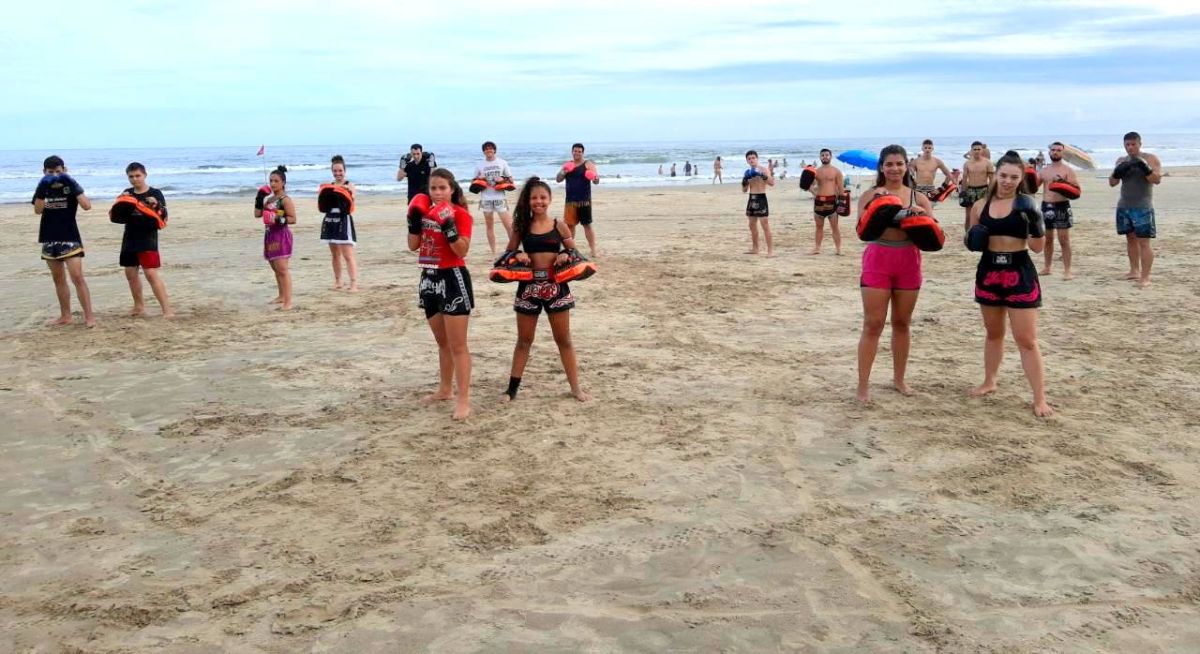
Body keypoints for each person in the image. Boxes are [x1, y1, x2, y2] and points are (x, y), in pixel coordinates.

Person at [965, 152, 1052, 417]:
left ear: (1021, 177)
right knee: (993, 333)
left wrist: (1036, 223)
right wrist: (973, 238)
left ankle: (1040, 398)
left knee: (1026, 339)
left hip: (1019, 270)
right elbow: (970, 243)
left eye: (1014, 177)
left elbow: (1038, 248)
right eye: (1003, 175)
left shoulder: (1027, 204)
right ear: (996, 174)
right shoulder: (981, 205)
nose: (1007, 181)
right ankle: (990, 381)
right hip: (990, 269)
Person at [497, 177, 591, 404]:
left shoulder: (560, 225)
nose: (538, 202)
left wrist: (564, 255)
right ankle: (511, 390)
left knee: (564, 340)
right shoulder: (521, 227)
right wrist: (517, 254)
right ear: (528, 201)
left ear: (549, 199)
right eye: (534, 198)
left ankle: (576, 388)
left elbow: (575, 254)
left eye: (543, 197)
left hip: (556, 287)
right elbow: (507, 255)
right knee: (524, 341)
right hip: (528, 288)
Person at [856, 145, 936, 403]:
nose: (894, 169)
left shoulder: (918, 198)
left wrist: (920, 217)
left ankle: (899, 380)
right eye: (889, 164)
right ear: (881, 167)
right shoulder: (869, 195)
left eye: (899, 164)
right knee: (873, 324)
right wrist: (877, 205)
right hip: (878, 258)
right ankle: (863, 386)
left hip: (908, 260)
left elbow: (931, 233)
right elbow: (861, 231)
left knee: (902, 323)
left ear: (907, 166)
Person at [407, 168, 474, 421]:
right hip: (429, 278)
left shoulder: (461, 215)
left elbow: (462, 251)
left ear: (452, 189)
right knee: (442, 342)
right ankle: (445, 389)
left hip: (453, 278)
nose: (437, 193)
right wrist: (414, 221)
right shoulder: (424, 213)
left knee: (458, 345)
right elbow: (413, 246)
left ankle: (463, 399)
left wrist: (449, 226)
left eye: (442, 188)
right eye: (433, 188)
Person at [32, 155, 97, 327]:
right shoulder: (44, 187)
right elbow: (38, 210)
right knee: (58, 279)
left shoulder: (69, 184)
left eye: (58, 172)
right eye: (50, 172)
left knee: (77, 277)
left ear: (64, 170)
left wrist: (72, 183)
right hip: (49, 236)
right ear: (44, 172)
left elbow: (87, 205)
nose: (55, 175)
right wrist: (41, 188)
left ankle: (89, 317)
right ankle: (65, 316)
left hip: (69, 236)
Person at [109, 162, 173, 318]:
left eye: (138, 176)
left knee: (151, 273)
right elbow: (119, 215)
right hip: (130, 237)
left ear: (145, 175)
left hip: (147, 238)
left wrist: (155, 204)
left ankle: (167, 310)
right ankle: (139, 307)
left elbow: (163, 217)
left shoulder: (155, 193)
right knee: (130, 273)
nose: (134, 179)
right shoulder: (127, 193)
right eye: (131, 176)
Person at [1108, 131, 1163, 288]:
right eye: (1127, 145)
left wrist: (1144, 167)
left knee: (1144, 242)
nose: (1130, 147)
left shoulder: (1151, 159)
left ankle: (1145, 277)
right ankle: (1134, 271)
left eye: (1133, 144)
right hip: (1124, 205)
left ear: (1140, 144)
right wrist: (1118, 171)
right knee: (1130, 239)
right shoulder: (1121, 160)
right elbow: (1112, 183)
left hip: (1142, 206)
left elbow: (1157, 180)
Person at [256, 165, 297, 309]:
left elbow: (293, 218)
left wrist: (279, 218)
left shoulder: (285, 200)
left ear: (283, 183)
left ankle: (288, 302)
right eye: (271, 181)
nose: (273, 184)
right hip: (270, 235)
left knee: (282, 269)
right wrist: (259, 197)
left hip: (281, 235)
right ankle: (281, 296)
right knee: (275, 268)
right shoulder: (269, 199)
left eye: (276, 181)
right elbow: (257, 214)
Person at [1038, 142, 1080, 279]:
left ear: (1063, 153)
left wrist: (1063, 182)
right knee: (1048, 239)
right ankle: (1047, 267)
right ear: (1049, 152)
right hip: (1046, 206)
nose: (1055, 152)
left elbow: (1076, 190)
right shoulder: (1044, 170)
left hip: (1062, 206)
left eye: (1058, 150)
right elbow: (1033, 187)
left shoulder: (1068, 170)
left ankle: (1067, 270)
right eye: (1053, 150)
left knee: (1064, 240)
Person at [321, 155, 359, 292]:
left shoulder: (349, 185)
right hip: (330, 219)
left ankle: (353, 283)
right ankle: (338, 281)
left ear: (345, 170)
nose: (338, 173)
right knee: (334, 253)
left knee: (347, 254)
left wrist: (345, 191)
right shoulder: (329, 186)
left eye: (340, 170)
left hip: (344, 219)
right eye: (335, 171)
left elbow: (352, 198)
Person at [555, 143, 600, 256]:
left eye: (579, 151)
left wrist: (593, 176)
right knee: (570, 226)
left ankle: (593, 250)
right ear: (572, 151)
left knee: (587, 225)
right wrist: (564, 171)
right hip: (570, 200)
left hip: (584, 200)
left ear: (582, 153)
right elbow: (558, 179)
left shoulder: (588, 164)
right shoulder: (568, 164)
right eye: (575, 151)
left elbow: (596, 181)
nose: (577, 153)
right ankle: (570, 250)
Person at [474, 141, 516, 256]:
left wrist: (502, 179)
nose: (489, 150)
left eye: (491, 148)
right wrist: (479, 178)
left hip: (500, 198)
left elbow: (511, 180)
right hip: (485, 199)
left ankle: (513, 250)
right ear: (484, 151)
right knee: (489, 225)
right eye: (486, 149)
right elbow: (473, 182)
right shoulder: (479, 165)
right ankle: (493, 252)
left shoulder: (502, 163)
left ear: (494, 150)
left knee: (508, 224)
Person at [809, 148, 845, 255]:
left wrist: (841, 202)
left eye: (827, 155)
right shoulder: (816, 172)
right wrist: (815, 194)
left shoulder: (836, 171)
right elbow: (808, 185)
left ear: (830, 156)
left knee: (835, 227)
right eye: (823, 155)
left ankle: (838, 249)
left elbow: (841, 189)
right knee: (819, 227)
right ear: (820, 157)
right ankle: (817, 248)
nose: (825, 157)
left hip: (832, 202)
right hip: (819, 202)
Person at [741, 150, 775, 256]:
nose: (751, 160)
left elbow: (772, 183)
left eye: (753, 158)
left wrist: (762, 175)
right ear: (747, 161)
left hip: (761, 198)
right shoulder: (747, 172)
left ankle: (770, 251)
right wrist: (745, 180)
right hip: (752, 198)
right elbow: (744, 190)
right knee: (751, 225)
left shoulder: (764, 169)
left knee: (765, 225)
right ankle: (755, 248)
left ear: (757, 158)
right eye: (749, 159)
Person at [960, 141, 995, 230]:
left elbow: (992, 180)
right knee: (968, 217)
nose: (977, 151)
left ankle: (983, 234)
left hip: (983, 190)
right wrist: (963, 192)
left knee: (983, 215)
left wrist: (990, 193)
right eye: (974, 149)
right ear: (971, 150)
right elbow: (964, 179)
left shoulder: (987, 163)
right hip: (970, 190)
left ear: (982, 150)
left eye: (978, 149)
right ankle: (968, 236)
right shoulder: (967, 163)